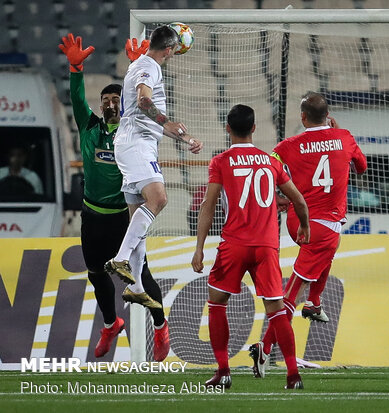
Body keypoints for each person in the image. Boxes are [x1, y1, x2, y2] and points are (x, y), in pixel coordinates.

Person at [59, 33, 170, 361]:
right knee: (96, 274)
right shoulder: (89, 127)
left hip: (125, 216)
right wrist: (76, 68)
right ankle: (111, 324)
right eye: (105, 99)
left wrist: (138, 65)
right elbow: (78, 99)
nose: (109, 103)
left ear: (123, 105)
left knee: (142, 276)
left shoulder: (134, 134)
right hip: (92, 217)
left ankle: (161, 326)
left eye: (114, 99)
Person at [191, 104, 309, 390]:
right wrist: (304, 224)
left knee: (217, 304)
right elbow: (298, 199)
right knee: (277, 309)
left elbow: (208, 206)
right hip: (266, 246)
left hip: (234, 244)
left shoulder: (220, 161)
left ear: (227, 129)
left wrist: (199, 247)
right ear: (254, 128)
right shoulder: (271, 162)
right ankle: (293, 375)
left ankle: (223, 372)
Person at [249, 91, 367, 378]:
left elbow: (267, 170)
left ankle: (315, 303)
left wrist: (278, 199)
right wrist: (337, 136)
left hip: (297, 222)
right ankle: (264, 349)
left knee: (322, 259)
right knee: (292, 292)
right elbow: (362, 168)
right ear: (327, 116)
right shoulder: (345, 137)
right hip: (323, 227)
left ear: (302, 117)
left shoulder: (288, 145)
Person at [103, 25, 202, 318]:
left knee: (139, 220)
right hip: (136, 143)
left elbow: (150, 117)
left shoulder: (141, 64)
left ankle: (135, 287)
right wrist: (169, 123)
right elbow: (145, 101)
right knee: (158, 199)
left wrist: (184, 138)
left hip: (136, 141)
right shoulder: (149, 66)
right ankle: (120, 259)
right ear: (170, 49)